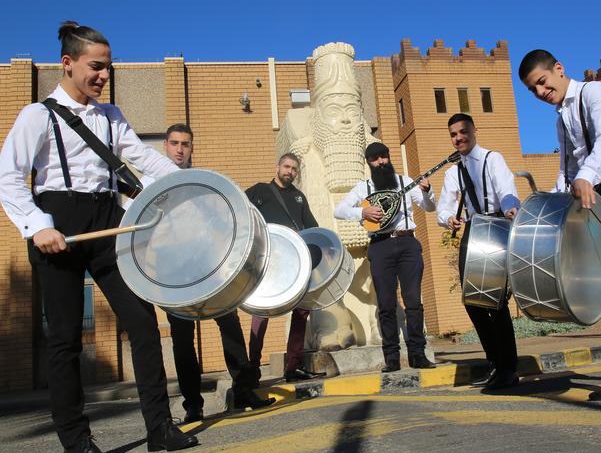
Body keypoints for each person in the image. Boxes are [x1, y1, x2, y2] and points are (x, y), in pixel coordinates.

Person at [0, 22, 198, 453]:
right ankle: (76, 443)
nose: (104, 76)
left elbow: (144, 159)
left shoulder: (112, 117)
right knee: (66, 339)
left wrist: (198, 184)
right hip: (59, 221)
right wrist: (37, 226)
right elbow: (10, 178)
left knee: (144, 325)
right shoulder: (38, 116)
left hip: (109, 219)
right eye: (96, 66)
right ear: (67, 64)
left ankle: (160, 428)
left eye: (107, 68)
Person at [519, 49, 601, 400]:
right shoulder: (561, 119)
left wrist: (587, 177)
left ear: (559, 70)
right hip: (600, 192)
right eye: (534, 90)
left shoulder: (595, 93)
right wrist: (552, 203)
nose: (541, 93)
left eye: (543, 83)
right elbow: (568, 169)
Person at [126, 124, 275, 423]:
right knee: (183, 337)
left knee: (229, 323)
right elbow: (132, 232)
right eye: (174, 143)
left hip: (208, 263)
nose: (180, 149)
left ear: (192, 148)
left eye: (186, 144)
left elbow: (221, 219)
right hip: (173, 270)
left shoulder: (202, 182)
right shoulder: (144, 185)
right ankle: (193, 405)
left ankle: (244, 390)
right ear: (164, 146)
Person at [333, 142, 436, 372]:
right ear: (368, 162)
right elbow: (338, 210)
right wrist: (363, 211)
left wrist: (428, 191)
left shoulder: (405, 182)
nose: (381, 162)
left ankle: (418, 354)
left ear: (389, 158)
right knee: (386, 304)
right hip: (380, 245)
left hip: (408, 242)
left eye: (384, 157)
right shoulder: (364, 187)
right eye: (375, 159)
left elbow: (429, 207)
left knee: (413, 302)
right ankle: (391, 358)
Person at [437, 113, 520, 390]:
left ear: (474, 131)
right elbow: (444, 207)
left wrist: (510, 206)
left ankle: (508, 367)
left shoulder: (491, 159)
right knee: (472, 300)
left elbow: (506, 188)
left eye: (463, 132)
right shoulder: (453, 171)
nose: (458, 137)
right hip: (473, 229)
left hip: (496, 224)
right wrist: (449, 218)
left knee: (495, 301)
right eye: (452, 134)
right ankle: (495, 362)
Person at [245, 153, 326, 382]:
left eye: (294, 169)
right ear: (277, 167)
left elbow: (312, 228)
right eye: (286, 166)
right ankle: (252, 368)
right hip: (268, 262)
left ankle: (293, 367)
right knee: (261, 313)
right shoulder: (259, 191)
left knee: (301, 312)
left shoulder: (299, 197)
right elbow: (241, 214)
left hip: (295, 264)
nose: (289, 171)